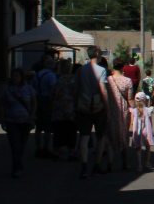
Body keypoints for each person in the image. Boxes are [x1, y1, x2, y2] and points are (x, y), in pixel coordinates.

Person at [74, 47, 112, 179]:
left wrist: (75, 106)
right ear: (96, 54)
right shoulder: (102, 70)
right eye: (101, 53)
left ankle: (84, 166)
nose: (101, 55)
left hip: (84, 107)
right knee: (101, 136)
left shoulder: (81, 70)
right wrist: (107, 109)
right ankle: (96, 164)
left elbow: (77, 89)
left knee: (84, 137)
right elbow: (103, 90)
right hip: (98, 107)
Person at [0, 68, 36, 177]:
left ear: (21, 77)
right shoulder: (7, 90)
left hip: (25, 121)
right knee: (15, 145)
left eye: (17, 76)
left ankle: (17, 165)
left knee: (22, 145)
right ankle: (17, 168)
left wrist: (32, 116)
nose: (15, 78)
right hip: (11, 121)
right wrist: (2, 120)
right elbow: (2, 105)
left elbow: (34, 104)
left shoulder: (29, 89)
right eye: (13, 76)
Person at [105, 57, 135, 171]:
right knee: (124, 135)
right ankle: (125, 162)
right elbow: (130, 99)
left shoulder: (107, 80)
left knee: (110, 136)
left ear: (113, 66)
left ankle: (110, 162)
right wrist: (136, 109)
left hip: (110, 110)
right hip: (123, 111)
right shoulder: (127, 81)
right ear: (123, 67)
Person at [50, 59, 78, 161]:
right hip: (65, 107)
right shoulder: (71, 79)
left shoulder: (59, 78)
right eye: (67, 66)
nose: (68, 68)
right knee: (62, 130)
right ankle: (61, 151)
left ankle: (65, 152)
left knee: (66, 130)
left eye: (69, 66)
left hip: (64, 107)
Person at [31, 54, 57, 159]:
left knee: (38, 126)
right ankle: (46, 148)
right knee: (47, 126)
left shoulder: (36, 75)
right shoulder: (51, 75)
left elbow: (32, 88)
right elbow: (52, 90)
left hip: (37, 99)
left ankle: (38, 148)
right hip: (47, 100)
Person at [130, 92, 154, 171]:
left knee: (138, 148)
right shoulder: (148, 110)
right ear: (144, 100)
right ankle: (147, 163)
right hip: (147, 131)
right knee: (147, 147)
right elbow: (151, 122)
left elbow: (131, 122)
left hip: (138, 132)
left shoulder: (134, 111)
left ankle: (139, 165)